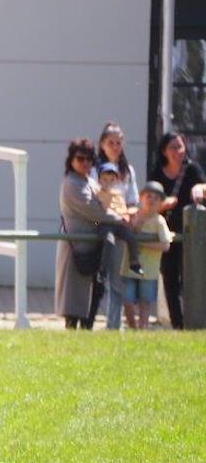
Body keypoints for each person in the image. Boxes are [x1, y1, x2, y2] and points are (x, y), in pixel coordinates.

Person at [56, 139, 142, 330]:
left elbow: (105, 205)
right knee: (73, 303)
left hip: (93, 248)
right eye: (80, 158)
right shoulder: (72, 183)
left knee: (94, 295)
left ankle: (86, 333)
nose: (85, 162)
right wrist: (120, 218)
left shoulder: (90, 181)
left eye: (89, 159)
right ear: (71, 160)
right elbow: (95, 211)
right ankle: (71, 338)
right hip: (76, 249)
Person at [148, 131, 206, 329]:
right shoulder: (157, 173)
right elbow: (148, 203)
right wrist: (162, 206)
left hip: (190, 235)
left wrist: (200, 189)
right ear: (164, 151)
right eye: (173, 147)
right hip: (166, 234)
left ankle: (194, 321)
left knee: (191, 278)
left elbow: (203, 185)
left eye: (180, 146)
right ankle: (178, 325)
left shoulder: (192, 169)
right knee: (170, 279)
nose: (178, 151)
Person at [121, 181, 172, 330]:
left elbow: (165, 245)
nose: (151, 200)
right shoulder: (133, 216)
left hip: (149, 270)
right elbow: (126, 233)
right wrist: (137, 223)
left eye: (156, 198)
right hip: (129, 268)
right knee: (128, 301)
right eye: (148, 196)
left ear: (161, 203)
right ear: (141, 197)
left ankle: (143, 329)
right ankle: (133, 328)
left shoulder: (160, 221)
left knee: (145, 302)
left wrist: (142, 244)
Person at [94, 162, 132, 331]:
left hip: (119, 238)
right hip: (104, 239)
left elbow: (124, 213)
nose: (108, 181)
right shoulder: (96, 194)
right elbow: (97, 216)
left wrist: (125, 218)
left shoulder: (118, 195)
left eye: (111, 178)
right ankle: (113, 324)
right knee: (109, 283)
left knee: (116, 283)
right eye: (105, 178)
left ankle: (114, 324)